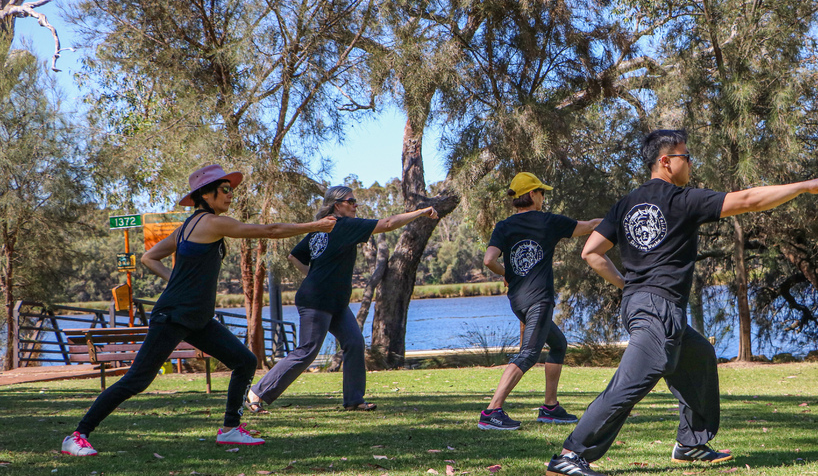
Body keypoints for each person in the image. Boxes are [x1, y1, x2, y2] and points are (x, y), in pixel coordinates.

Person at [545, 130, 818, 476]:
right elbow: (750, 200)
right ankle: (571, 454)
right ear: (666, 161)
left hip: (643, 303)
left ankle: (691, 443)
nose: (691, 162)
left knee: (698, 357)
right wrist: (803, 186)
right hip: (658, 307)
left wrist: (629, 286)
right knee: (631, 381)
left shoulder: (627, 203)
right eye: (686, 156)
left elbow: (591, 252)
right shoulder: (682, 200)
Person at [61, 164, 337, 457]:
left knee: (244, 361)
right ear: (206, 194)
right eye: (225, 189)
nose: (231, 195)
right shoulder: (209, 222)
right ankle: (77, 436)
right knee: (137, 380)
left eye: (232, 189)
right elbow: (268, 230)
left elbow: (149, 257)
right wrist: (314, 226)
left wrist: (176, 279)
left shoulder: (185, 229)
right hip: (173, 315)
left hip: (197, 318)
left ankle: (230, 429)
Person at [245, 186, 438, 413]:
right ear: (338, 205)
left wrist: (316, 274)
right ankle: (257, 391)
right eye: (351, 201)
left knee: (354, 343)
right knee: (307, 350)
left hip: (335, 301)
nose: (356, 205)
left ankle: (354, 400)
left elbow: (294, 256)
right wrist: (420, 212)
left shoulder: (321, 229)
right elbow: (387, 224)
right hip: (317, 299)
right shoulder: (343, 225)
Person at [478, 172, 601, 430]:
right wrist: (617, 220)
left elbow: (489, 260)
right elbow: (590, 226)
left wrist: (508, 274)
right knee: (529, 355)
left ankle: (550, 408)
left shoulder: (504, 226)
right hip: (539, 300)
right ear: (533, 194)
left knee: (558, 344)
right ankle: (492, 411)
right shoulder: (548, 221)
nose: (543, 197)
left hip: (518, 301)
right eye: (542, 192)